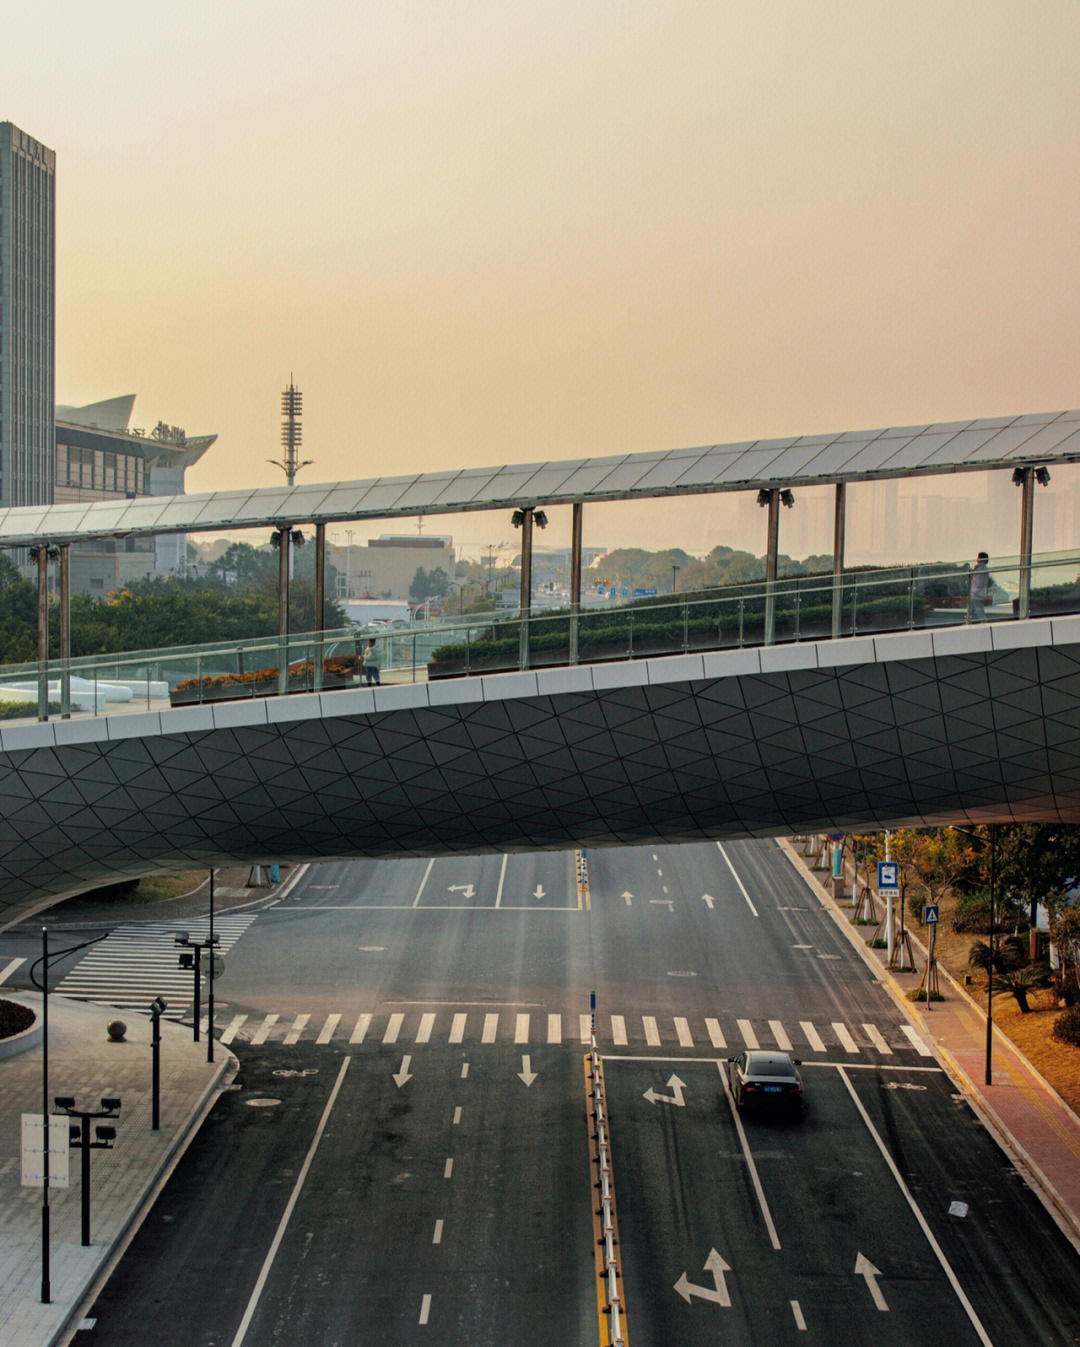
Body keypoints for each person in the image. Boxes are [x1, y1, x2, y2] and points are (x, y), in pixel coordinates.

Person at [968, 551, 990, 620]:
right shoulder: (981, 568)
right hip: (976, 592)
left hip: (976, 593)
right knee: (971, 607)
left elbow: (979, 582)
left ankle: (983, 621)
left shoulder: (981, 568)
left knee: (978, 608)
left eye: (978, 557)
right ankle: (968, 621)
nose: (977, 559)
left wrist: (974, 592)